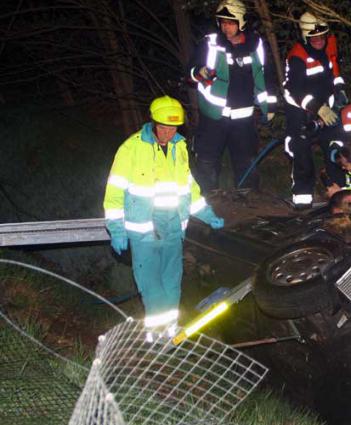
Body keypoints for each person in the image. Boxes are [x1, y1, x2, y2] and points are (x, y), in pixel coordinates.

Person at [103, 96, 225, 340]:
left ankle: (169, 331)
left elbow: (188, 189)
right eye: (165, 126)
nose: (169, 132)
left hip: (173, 229)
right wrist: (116, 229)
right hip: (144, 231)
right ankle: (155, 334)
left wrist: (208, 214)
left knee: (172, 284)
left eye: (174, 127)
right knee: (151, 287)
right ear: (154, 122)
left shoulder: (179, 147)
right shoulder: (131, 148)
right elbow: (114, 192)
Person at [188, 0, 278, 192]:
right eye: (222, 22)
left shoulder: (255, 44)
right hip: (214, 117)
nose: (225, 27)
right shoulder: (210, 43)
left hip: (243, 119)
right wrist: (199, 72)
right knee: (207, 163)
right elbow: (190, 70)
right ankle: (208, 203)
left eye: (230, 22)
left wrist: (269, 107)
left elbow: (264, 76)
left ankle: (249, 207)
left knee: (246, 165)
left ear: (241, 22)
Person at [282, 11, 349, 208]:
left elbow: (335, 73)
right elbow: (293, 91)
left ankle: (341, 196)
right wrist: (317, 109)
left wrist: (339, 90)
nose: (319, 40)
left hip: (327, 110)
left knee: (336, 148)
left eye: (322, 36)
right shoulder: (297, 57)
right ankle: (302, 201)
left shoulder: (330, 46)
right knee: (301, 153)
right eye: (314, 37)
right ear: (305, 35)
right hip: (301, 112)